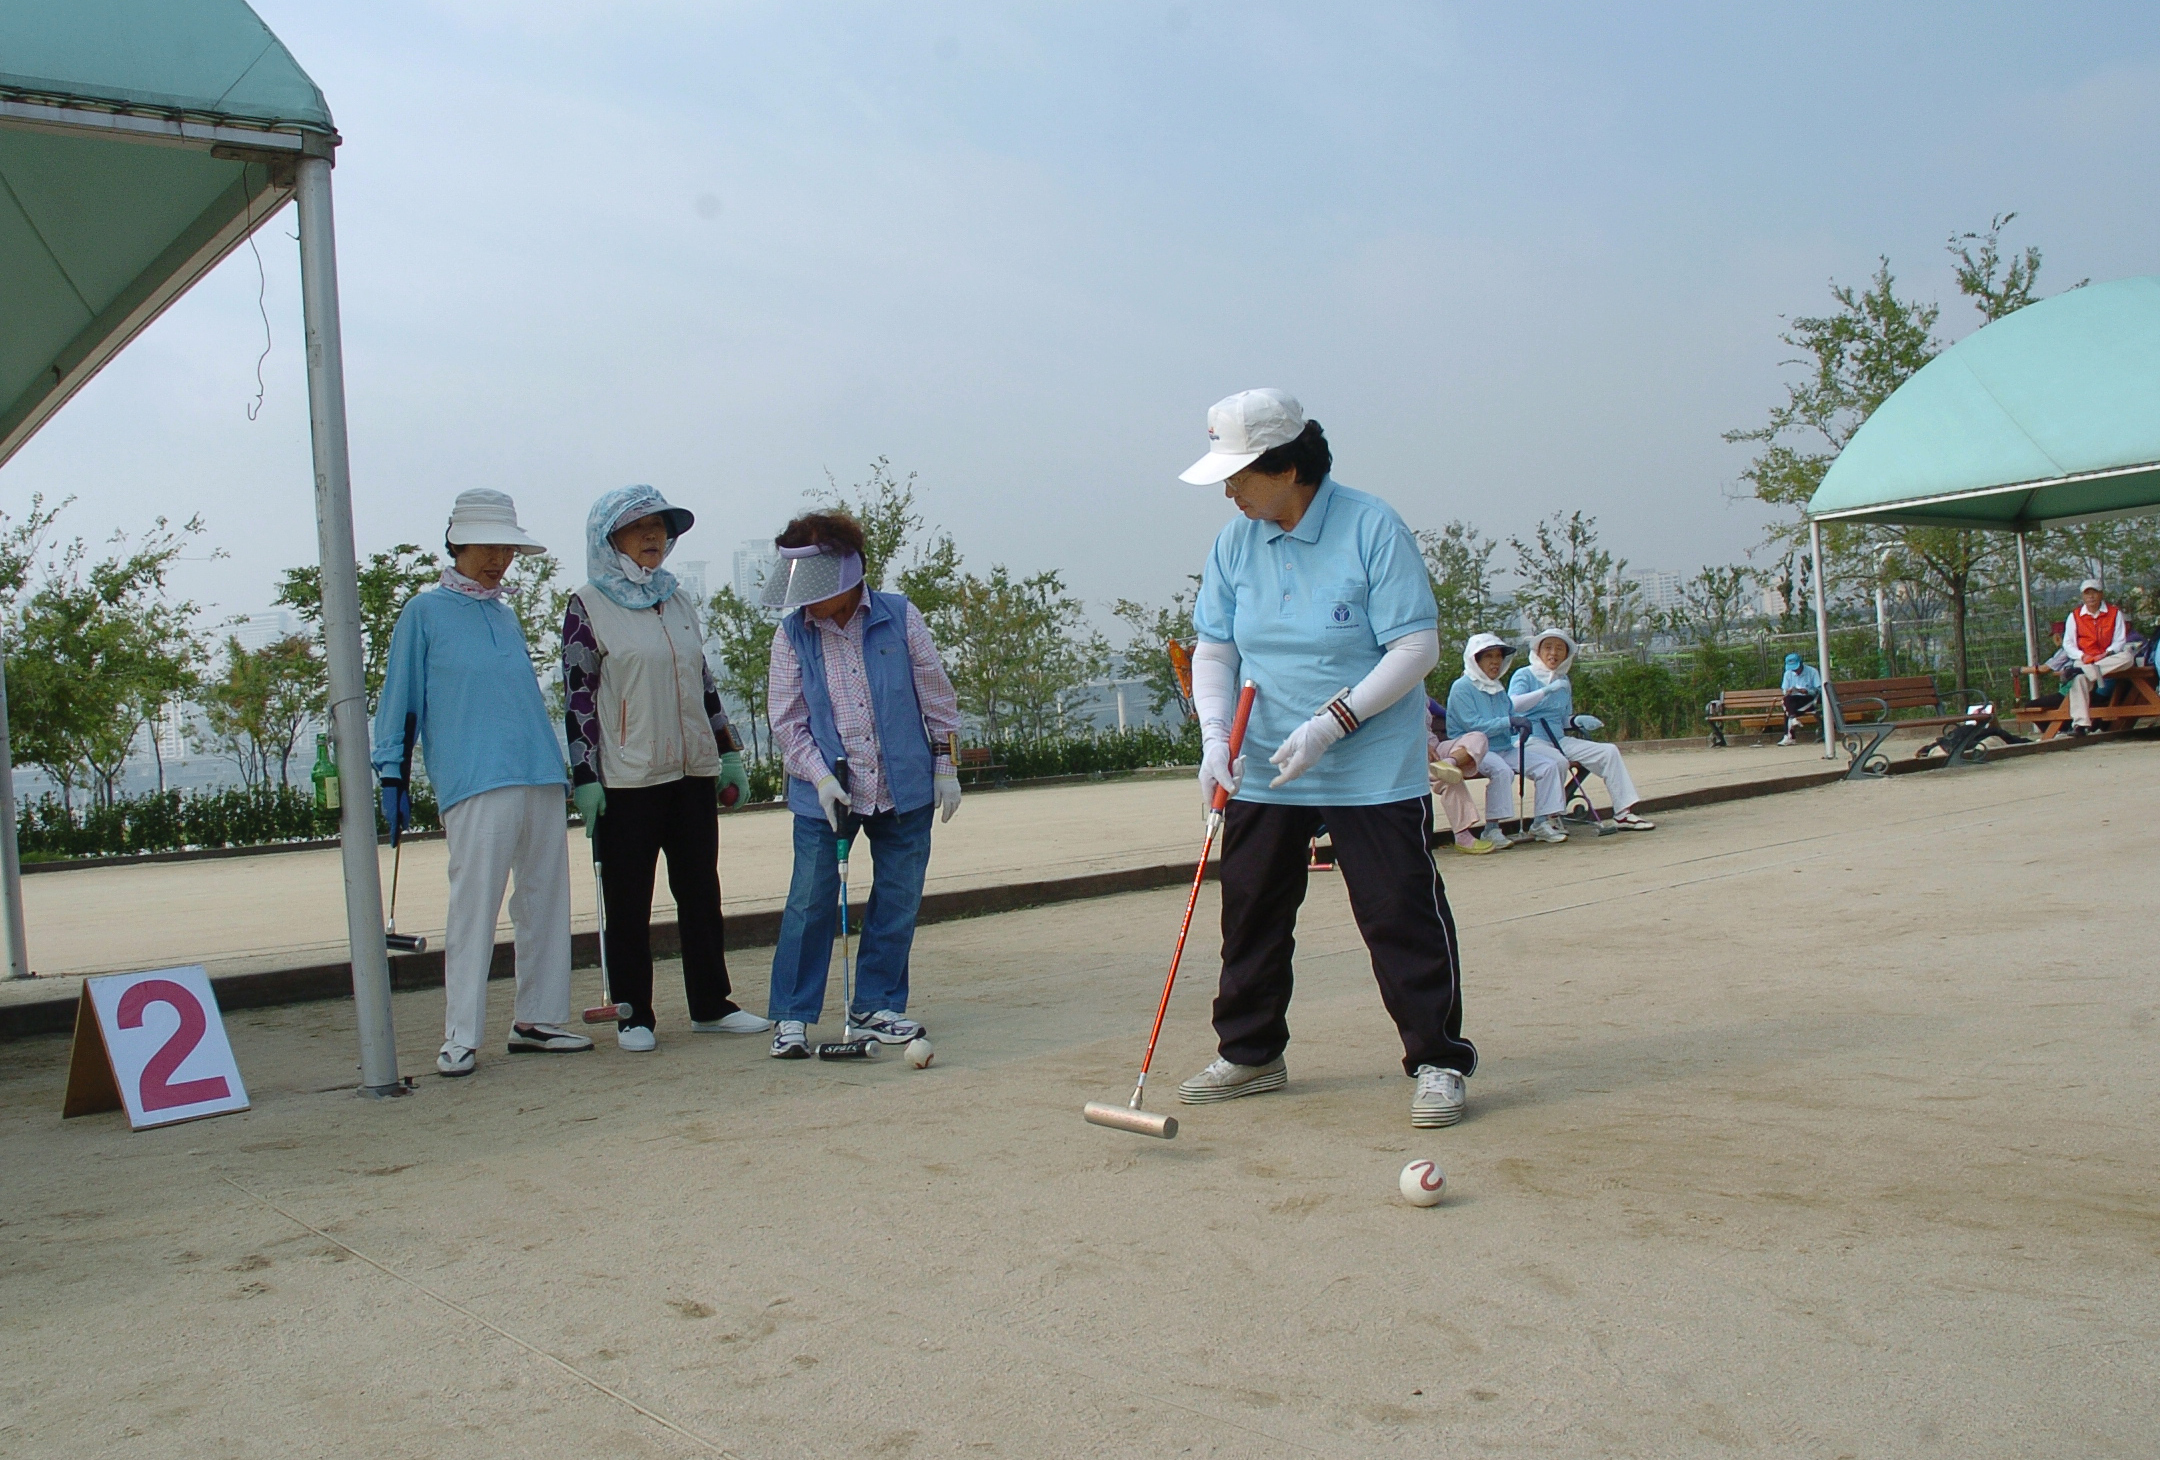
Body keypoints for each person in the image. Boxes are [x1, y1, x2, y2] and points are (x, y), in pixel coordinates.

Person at [1171, 388, 1474, 1131]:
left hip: (1368, 760)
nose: (1229, 490)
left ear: (1287, 466)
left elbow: (1415, 647)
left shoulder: (1371, 526)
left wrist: (1335, 721)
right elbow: (1216, 647)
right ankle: (1250, 1053)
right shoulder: (1234, 543)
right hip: (1264, 757)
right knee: (1251, 912)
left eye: (1239, 474)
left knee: (1397, 910)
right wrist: (1215, 737)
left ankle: (1437, 1059)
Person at [373, 489, 591, 1078]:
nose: (500, 558)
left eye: (508, 547)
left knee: (545, 902)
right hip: (475, 778)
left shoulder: (503, 612)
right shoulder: (423, 612)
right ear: (458, 543)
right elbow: (400, 700)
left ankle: (539, 1019)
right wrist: (389, 770)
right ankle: (461, 1035)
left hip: (539, 772)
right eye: (489, 546)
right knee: (474, 907)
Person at [563, 484, 769, 1053]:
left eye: (660, 527)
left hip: (693, 771)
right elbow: (579, 695)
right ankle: (634, 1013)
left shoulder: (677, 600)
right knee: (629, 901)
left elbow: (703, 683)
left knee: (701, 891)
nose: (654, 537)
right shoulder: (587, 604)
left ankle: (711, 1004)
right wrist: (585, 776)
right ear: (610, 539)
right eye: (638, 528)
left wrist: (727, 753)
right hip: (628, 778)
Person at [762, 512, 964, 1059]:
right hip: (825, 794)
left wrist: (945, 767)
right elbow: (787, 721)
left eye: (813, 589)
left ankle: (876, 1006)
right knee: (810, 899)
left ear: (847, 578)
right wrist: (821, 776)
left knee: (898, 897)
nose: (802, 602)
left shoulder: (899, 616)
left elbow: (937, 697)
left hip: (903, 787)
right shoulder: (792, 636)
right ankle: (792, 1016)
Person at [1509, 629, 1656, 831]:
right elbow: (1513, 706)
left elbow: (1562, 720)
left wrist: (1577, 720)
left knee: (1608, 751)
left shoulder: (1563, 680)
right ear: (1538, 650)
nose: (1554, 653)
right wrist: (1544, 691)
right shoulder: (1524, 675)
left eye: (1560, 648)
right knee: (1556, 760)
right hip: (1529, 739)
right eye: (1548, 647)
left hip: (1557, 738)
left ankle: (1623, 813)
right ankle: (1550, 817)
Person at [1447, 633, 1567, 846]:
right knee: (1501, 770)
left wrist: (1518, 729)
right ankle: (1491, 829)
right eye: (1489, 657)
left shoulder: (1498, 688)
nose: (1495, 662)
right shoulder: (1462, 687)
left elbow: (1509, 716)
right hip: (1475, 751)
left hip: (1503, 747)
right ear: (1475, 660)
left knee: (1548, 766)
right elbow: (1473, 726)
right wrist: (1509, 721)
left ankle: (1541, 822)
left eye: (1498, 656)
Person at [1425, 698, 1496, 854]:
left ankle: (1449, 763)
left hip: (1437, 751)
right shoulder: (1394, 694)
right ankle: (1463, 837)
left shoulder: (1421, 694)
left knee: (1478, 737)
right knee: (1450, 779)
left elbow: (1445, 713)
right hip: (1410, 755)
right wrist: (1422, 744)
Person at [2061, 578, 2132, 736]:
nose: (2091, 596)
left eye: (2094, 592)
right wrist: (2082, 655)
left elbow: (2120, 641)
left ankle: (2083, 671)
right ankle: (2080, 724)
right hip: (2085, 658)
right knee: (2078, 681)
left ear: (2101, 594)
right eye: (2087, 593)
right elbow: (2068, 644)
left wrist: (2106, 653)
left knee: (2127, 658)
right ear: (2082, 596)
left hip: (2107, 658)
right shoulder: (2075, 616)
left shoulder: (2114, 613)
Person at [1779, 652, 1822, 745]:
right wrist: (1788, 691)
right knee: (1786, 700)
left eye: (1796, 668)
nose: (1795, 671)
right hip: (1793, 699)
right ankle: (1793, 720)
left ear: (1801, 663)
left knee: (1787, 709)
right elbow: (1784, 690)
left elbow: (1818, 690)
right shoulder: (1788, 674)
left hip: (1808, 699)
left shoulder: (1812, 671)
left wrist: (1806, 691)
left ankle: (1789, 736)